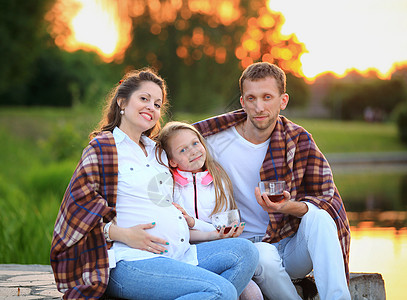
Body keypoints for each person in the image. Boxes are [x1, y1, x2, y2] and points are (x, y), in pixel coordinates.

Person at [50, 68, 259, 299]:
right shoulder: (104, 148)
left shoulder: (157, 150)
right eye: (144, 99)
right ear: (122, 102)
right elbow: (74, 214)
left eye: (158, 104)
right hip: (132, 261)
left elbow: (190, 136)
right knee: (223, 290)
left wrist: (253, 117)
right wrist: (121, 234)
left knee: (246, 252)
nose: (152, 107)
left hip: (181, 255)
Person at [193, 62, 351, 300]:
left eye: (267, 97)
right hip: (244, 248)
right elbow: (171, 151)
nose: (259, 107)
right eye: (251, 98)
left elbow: (328, 199)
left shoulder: (298, 140)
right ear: (242, 101)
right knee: (263, 253)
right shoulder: (212, 141)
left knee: (320, 216)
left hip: (289, 246)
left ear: (283, 100)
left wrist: (287, 207)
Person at [156, 121, 264, 300]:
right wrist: (200, 227)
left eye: (195, 143)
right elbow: (177, 233)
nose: (193, 151)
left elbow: (225, 223)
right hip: (186, 256)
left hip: (219, 252)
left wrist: (228, 230)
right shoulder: (170, 186)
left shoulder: (219, 180)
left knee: (252, 292)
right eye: (182, 150)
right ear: (172, 161)